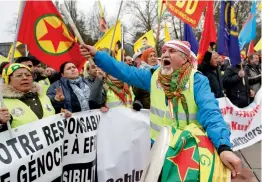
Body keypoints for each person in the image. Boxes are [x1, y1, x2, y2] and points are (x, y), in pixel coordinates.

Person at [80, 40, 241, 178]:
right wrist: (97, 55)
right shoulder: (153, 76)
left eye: (172, 51)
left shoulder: (197, 80)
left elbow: (211, 113)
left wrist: (223, 147)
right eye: (163, 51)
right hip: (159, 149)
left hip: (189, 150)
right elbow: (124, 71)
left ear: (184, 58)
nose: (164, 54)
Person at [0, 63, 71, 130]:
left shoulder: (42, 96)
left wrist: (60, 115)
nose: (25, 78)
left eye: (28, 75)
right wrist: (1, 123)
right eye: (19, 75)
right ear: (7, 80)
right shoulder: (2, 103)